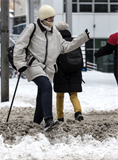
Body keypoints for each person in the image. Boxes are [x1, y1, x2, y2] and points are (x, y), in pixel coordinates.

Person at [13, 4, 89, 132]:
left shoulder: (56, 33)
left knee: (42, 93)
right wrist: (20, 64)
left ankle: (36, 122)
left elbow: (65, 47)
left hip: (48, 68)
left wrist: (82, 38)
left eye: (53, 17)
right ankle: (48, 120)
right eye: (49, 18)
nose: (52, 20)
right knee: (46, 86)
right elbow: (20, 46)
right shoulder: (32, 28)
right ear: (43, 18)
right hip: (34, 64)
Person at [53, 21, 84, 122]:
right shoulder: (74, 41)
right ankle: (78, 112)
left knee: (60, 95)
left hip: (61, 72)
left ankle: (60, 117)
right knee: (73, 94)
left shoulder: (57, 42)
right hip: (75, 71)